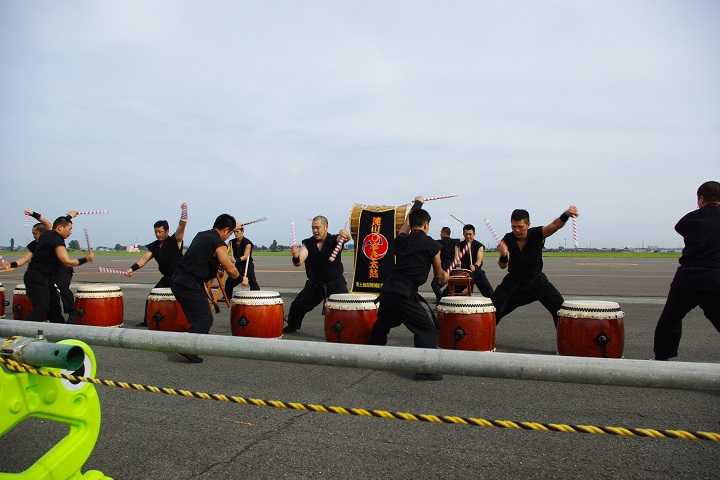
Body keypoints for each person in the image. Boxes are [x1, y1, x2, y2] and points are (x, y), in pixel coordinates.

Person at [369, 197, 449, 381]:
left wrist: (418, 203)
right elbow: (439, 276)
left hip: (388, 290)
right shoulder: (433, 245)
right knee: (427, 330)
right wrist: (447, 277)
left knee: (384, 323)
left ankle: (370, 356)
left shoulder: (401, 240)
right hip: (402, 293)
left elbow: (407, 221)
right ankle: (425, 371)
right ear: (426, 225)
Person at [653, 181, 720, 361]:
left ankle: (662, 359)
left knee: (670, 320)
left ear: (701, 199)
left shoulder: (691, 218)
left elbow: (680, 227)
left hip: (688, 277)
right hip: (716, 278)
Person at [170, 214, 245, 363]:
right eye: (230, 233)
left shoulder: (202, 235)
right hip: (188, 283)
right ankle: (187, 348)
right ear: (225, 229)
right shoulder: (218, 242)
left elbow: (203, 257)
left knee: (199, 316)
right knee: (204, 318)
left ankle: (192, 341)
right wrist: (242, 278)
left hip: (179, 280)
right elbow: (230, 269)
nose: (228, 237)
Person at [492, 206, 579, 327]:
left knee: (561, 310)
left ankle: (566, 337)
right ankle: (483, 335)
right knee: (492, 310)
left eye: (520, 226)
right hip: (514, 282)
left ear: (528, 224)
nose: (517, 230)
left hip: (537, 281)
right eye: (513, 226)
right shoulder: (508, 239)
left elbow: (555, 225)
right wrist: (504, 255)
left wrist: (567, 214)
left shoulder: (537, 234)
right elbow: (503, 265)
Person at [4, 210, 79, 324]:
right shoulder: (36, 244)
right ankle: (22, 330)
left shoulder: (49, 235)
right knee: (43, 308)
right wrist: (10, 265)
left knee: (61, 289)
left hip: (60, 269)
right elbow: (25, 259)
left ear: (43, 232)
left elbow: (57, 224)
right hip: (43, 275)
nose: (33, 236)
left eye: (35, 233)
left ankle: (69, 316)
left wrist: (32, 214)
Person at [284, 216, 351, 334]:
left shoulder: (334, 239)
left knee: (347, 307)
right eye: (313, 228)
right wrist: (295, 256)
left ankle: (349, 330)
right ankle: (292, 325)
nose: (315, 230)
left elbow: (343, 239)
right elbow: (298, 262)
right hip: (316, 282)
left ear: (326, 227)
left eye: (317, 227)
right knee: (297, 305)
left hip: (335, 282)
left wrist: (345, 235)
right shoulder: (308, 243)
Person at [21, 215, 94, 323]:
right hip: (36, 277)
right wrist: (86, 259)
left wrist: (69, 216)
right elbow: (67, 262)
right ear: (60, 228)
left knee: (54, 307)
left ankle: (60, 329)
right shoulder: (55, 239)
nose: (71, 232)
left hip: (46, 277)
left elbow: (52, 223)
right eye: (69, 229)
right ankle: (18, 331)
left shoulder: (48, 234)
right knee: (41, 310)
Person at [125, 203, 187, 327]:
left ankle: (187, 321)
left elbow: (182, 225)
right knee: (152, 297)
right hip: (167, 278)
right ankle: (147, 320)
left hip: (180, 277)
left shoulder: (175, 240)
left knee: (184, 299)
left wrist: (184, 210)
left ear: (167, 231)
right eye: (155, 232)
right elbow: (143, 260)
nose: (157, 234)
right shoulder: (154, 246)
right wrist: (131, 269)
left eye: (160, 231)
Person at [444, 224, 493, 298]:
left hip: (477, 272)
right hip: (464, 273)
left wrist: (475, 266)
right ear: (463, 234)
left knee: (490, 294)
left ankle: (495, 304)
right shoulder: (458, 246)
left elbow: (479, 260)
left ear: (474, 234)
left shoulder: (479, 246)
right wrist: (458, 263)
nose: (468, 236)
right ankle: (440, 302)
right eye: (466, 234)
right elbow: (456, 258)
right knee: (447, 292)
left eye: (470, 234)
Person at [224, 223, 260, 295]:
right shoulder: (231, 242)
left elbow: (245, 256)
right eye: (234, 232)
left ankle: (256, 296)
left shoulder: (247, 243)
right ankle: (227, 297)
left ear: (242, 231)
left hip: (247, 266)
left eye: (237, 232)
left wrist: (236, 260)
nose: (236, 234)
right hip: (238, 266)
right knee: (229, 283)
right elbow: (226, 252)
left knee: (252, 282)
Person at [431, 226, 456, 303]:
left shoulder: (439, 242)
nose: (440, 234)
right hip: (453, 266)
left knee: (435, 284)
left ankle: (440, 299)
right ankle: (442, 297)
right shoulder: (455, 241)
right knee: (447, 283)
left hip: (445, 265)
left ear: (444, 233)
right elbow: (462, 240)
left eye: (441, 233)